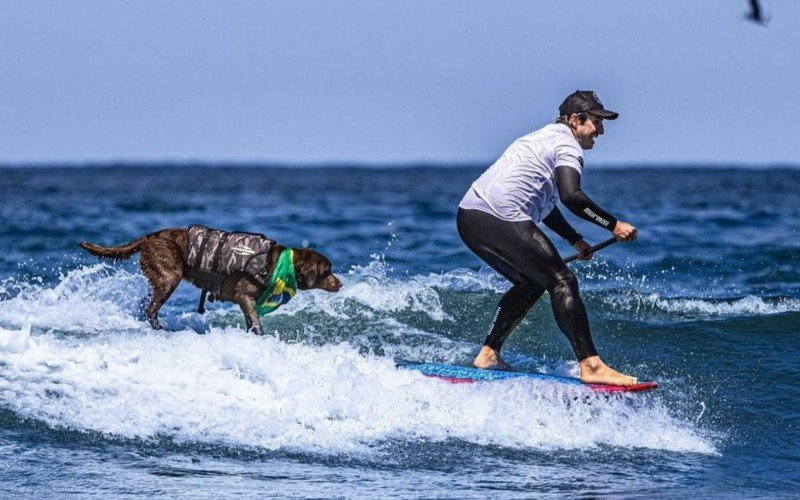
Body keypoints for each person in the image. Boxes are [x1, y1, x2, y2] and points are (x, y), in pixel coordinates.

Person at [456, 90, 638, 386]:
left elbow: (547, 204)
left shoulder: (543, 139)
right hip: (500, 215)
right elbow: (571, 196)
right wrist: (613, 224)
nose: (601, 131)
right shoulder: (567, 145)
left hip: (470, 217)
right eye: (596, 122)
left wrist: (575, 240)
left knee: (532, 282)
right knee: (562, 281)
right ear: (576, 120)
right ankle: (591, 365)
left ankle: (489, 353)